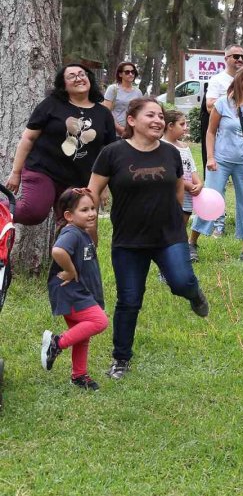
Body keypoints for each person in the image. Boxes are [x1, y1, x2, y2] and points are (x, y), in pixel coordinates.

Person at [88, 97, 209, 380]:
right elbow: (92, 192)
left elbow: (178, 189)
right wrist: (85, 224)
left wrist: (173, 216)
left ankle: (195, 294)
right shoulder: (112, 153)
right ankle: (121, 359)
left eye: (161, 116)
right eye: (150, 115)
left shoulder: (170, 153)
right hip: (128, 240)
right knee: (129, 300)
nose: (158, 120)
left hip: (169, 235)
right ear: (131, 120)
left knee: (182, 282)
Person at [5, 64, 116, 230]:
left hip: (79, 179)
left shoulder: (103, 114)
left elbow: (108, 151)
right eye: (72, 76)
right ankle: (2, 207)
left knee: (71, 227)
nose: (79, 78)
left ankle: (63, 256)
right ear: (63, 84)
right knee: (33, 211)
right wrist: (16, 172)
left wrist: (103, 185)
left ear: (89, 79)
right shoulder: (51, 105)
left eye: (82, 74)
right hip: (43, 171)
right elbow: (28, 138)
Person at [190, 67, 243, 264]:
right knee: (209, 199)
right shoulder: (223, 103)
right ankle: (191, 243)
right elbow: (210, 132)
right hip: (221, 161)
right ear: (239, 80)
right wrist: (210, 157)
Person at [39, 188, 109, 390]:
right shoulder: (71, 232)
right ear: (69, 216)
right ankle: (56, 343)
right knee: (99, 321)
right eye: (84, 210)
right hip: (70, 290)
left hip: (80, 291)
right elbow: (58, 251)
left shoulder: (82, 232)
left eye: (93, 208)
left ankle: (79, 376)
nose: (92, 213)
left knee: (82, 334)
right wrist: (70, 270)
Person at [203, 44, 243, 236]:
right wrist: (231, 98)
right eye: (235, 56)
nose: (239, 59)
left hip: (242, 142)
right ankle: (217, 225)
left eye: (242, 57)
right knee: (216, 187)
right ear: (226, 58)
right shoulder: (218, 79)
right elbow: (208, 105)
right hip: (222, 140)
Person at [161, 110, 202, 227]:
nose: (186, 127)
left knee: (181, 229)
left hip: (188, 197)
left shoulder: (184, 147)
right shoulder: (163, 146)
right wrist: (188, 186)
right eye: (182, 124)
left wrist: (198, 183)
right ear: (170, 126)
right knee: (170, 228)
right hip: (172, 197)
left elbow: (191, 167)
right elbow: (168, 173)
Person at [103, 62, 143, 138]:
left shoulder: (138, 92)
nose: (131, 74)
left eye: (133, 72)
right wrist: (119, 128)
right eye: (127, 72)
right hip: (114, 132)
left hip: (132, 132)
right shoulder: (113, 89)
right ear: (120, 74)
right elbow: (107, 111)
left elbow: (140, 112)